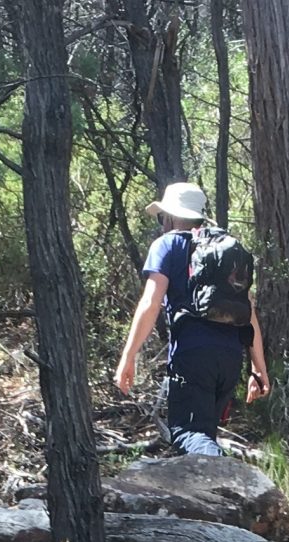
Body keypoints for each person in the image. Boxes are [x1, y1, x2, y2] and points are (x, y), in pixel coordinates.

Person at [113, 181, 271, 456]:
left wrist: (129, 356)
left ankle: (227, 477)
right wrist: (259, 370)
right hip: (230, 358)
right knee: (204, 434)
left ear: (172, 216)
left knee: (188, 433)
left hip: (193, 355)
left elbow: (150, 303)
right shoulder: (225, 250)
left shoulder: (167, 245)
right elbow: (249, 313)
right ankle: (218, 490)